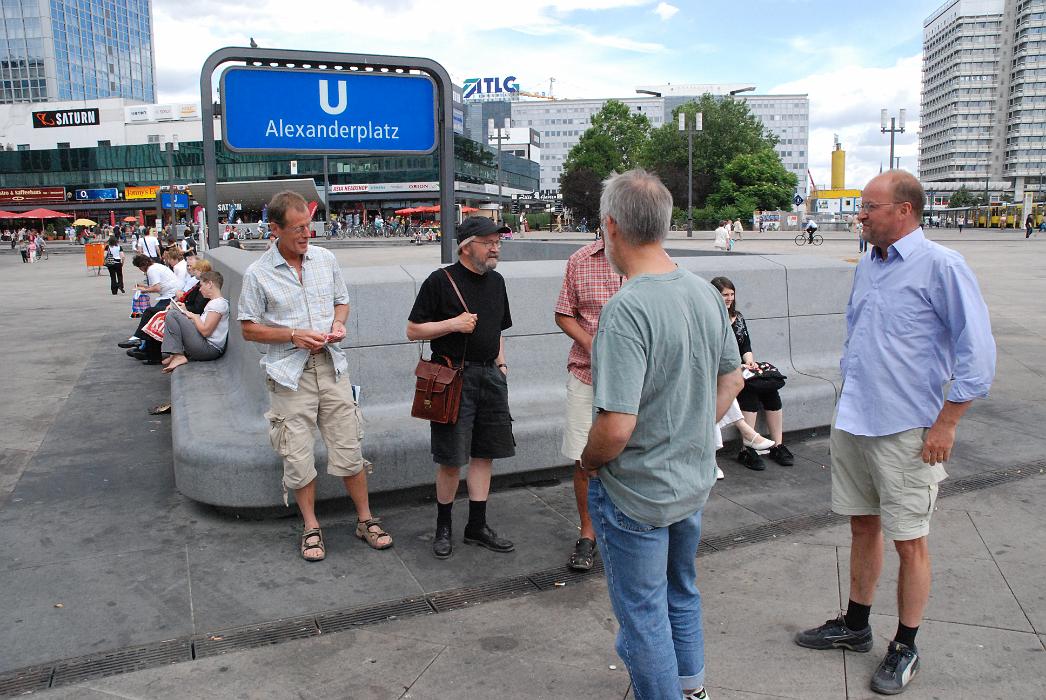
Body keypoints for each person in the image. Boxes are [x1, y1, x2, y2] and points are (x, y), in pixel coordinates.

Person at [794, 171, 996, 695]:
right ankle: (856, 626)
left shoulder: (943, 267)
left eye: (869, 206)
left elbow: (978, 357)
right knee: (863, 527)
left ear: (904, 210)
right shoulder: (869, 263)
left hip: (909, 429)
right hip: (857, 419)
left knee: (911, 541)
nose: (860, 214)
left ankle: (906, 645)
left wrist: (947, 422)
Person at [581, 169, 744, 700]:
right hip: (691, 479)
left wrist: (588, 463)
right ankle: (692, 689)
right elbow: (732, 377)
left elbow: (616, 425)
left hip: (637, 491)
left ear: (610, 226)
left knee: (642, 614)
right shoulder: (702, 292)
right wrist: (694, 430)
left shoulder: (626, 309)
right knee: (682, 592)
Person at [238, 191, 391, 561]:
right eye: (297, 229)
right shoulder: (258, 273)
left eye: (309, 226)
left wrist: (338, 324)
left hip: (331, 365)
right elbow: (248, 328)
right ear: (274, 229)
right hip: (289, 376)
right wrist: (292, 335)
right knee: (298, 454)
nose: (307, 235)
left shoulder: (325, 259)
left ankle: (365, 519)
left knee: (350, 446)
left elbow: (342, 300)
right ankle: (311, 526)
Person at [406, 216, 516, 560]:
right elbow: (413, 330)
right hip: (453, 379)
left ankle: (477, 526)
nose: (495, 248)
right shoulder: (440, 281)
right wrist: (453, 324)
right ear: (467, 247)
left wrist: (501, 364)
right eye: (488, 242)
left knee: (485, 454)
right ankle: (443, 527)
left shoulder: (497, 282)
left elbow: (498, 330)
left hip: (490, 377)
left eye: (498, 242)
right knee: (452, 459)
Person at [553, 237, 623, 571]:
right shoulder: (580, 260)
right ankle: (588, 534)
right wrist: (593, 344)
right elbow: (563, 314)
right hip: (587, 374)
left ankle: (631, 528)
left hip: (638, 378)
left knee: (635, 454)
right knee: (584, 457)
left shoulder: (654, 258)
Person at [710, 276, 794, 470]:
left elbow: (745, 345)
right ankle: (747, 449)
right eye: (725, 295)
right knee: (749, 390)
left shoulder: (737, 317)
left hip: (742, 368)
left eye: (731, 294)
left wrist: (749, 361)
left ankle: (777, 444)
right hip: (725, 372)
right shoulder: (712, 319)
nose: (729, 298)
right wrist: (738, 367)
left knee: (770, 390)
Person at [161, 271, 228, 373]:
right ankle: (175, 354)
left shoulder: (218, 304)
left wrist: (195, 317)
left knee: (172, 314)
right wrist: (186, 312)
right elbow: (201, 326)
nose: (200, 289)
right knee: (174, 313)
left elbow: (206, 332)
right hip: (205, 345)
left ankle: (177, 355)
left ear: (210, 284)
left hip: (209, 350)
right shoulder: (215, 303)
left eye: (201, 286)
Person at [120, 254, 182, 363]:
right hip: (172, 295)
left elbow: (157, 288)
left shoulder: (151, 270)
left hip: (170, 296)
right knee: (151, 318)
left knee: (151, 317)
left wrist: (143, 290)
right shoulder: (157, 266)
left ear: (141, 266)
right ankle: (143, 347)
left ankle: (142, 344)